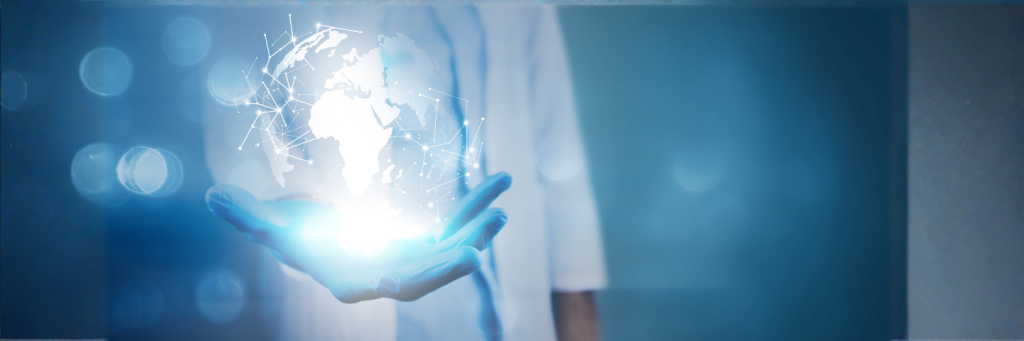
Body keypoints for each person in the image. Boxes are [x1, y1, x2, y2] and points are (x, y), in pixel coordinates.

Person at [203, 5, 606, 341]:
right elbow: (240, 112)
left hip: (516, 312)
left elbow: (558, 147)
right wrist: (302, 220)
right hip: (353, 308)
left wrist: (579, 317)